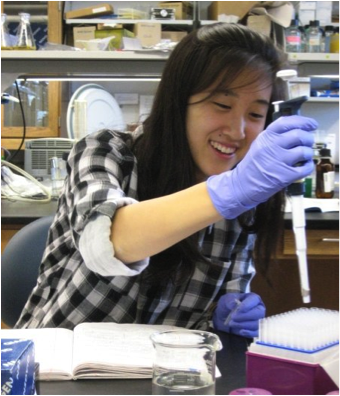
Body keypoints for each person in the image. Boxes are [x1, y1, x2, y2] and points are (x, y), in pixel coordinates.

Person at [15, 23, 317, 337]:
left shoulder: (242, 197)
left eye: (256, 115)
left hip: (164, 377)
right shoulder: (105, 152)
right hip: (54, 368)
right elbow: (107, 243)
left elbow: (219, 307)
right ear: (178, 102)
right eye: (223, 105)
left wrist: (225, 318)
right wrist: (231, 190)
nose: (238, 131)